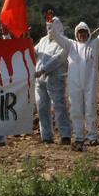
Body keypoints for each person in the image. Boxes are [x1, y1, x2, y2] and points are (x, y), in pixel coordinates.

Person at [46, 7, 99, 148]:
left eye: (84, 32)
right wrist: (50, 24)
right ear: (76, 34)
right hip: (74, 84)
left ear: (88, 33)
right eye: (79, 32)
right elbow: (57, 36)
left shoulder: (94, 45)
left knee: (90, 109)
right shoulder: (71, 45)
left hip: (90, 84)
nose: (82, 34)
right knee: (76, 110)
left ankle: (93, 136)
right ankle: (78, 137)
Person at [33, 15, 72, 145]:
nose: (49, 28)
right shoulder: (43, 40)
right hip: (40, 80)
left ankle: (65, 135)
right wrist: (25, 40)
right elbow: (34, 52)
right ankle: (46, 136)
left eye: (52, 25)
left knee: (58, 107)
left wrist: (43, 70)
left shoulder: (64, 42)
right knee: (42, 107)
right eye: (48, 25)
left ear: (58, 26)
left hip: (55, 78)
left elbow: (58, 59)